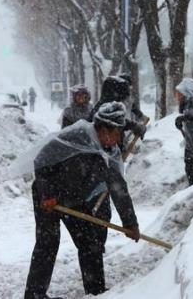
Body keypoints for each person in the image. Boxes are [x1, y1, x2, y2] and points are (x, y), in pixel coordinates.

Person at [24, 102, 140, 299]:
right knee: (48, 242)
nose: (120, 138)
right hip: (49, 196)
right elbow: (41, 161)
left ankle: (96, 291)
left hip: (75, 199)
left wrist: (130, 223)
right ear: (104, 130)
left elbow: (118, 189)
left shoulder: (109, 152)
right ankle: (34, 295)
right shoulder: (75, 137)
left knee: (89, 243)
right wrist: (47, 194)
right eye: (117, 133)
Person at [89, 76, 147, 144]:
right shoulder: (104, 109)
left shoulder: (114, 106)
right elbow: (112, 122)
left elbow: (120, 121)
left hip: (115, 147)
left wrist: (135, 126)